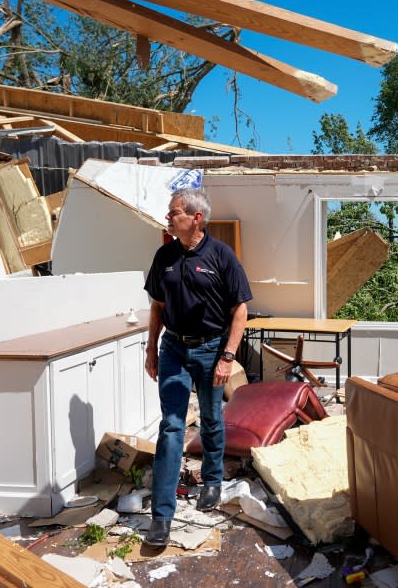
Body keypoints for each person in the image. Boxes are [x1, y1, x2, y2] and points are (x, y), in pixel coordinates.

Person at [142, 187, 252, 547]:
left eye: (174, 212)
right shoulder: (164, 256)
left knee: (210, 416)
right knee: (172, 426)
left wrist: (228, 356)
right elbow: (157, 306)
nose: (168, 217)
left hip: (210, 349)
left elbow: (240, 310)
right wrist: (151, 349)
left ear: (196, 217)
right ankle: (161, 516)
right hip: (173, 346)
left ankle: (213, 479)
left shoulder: (221, 256)